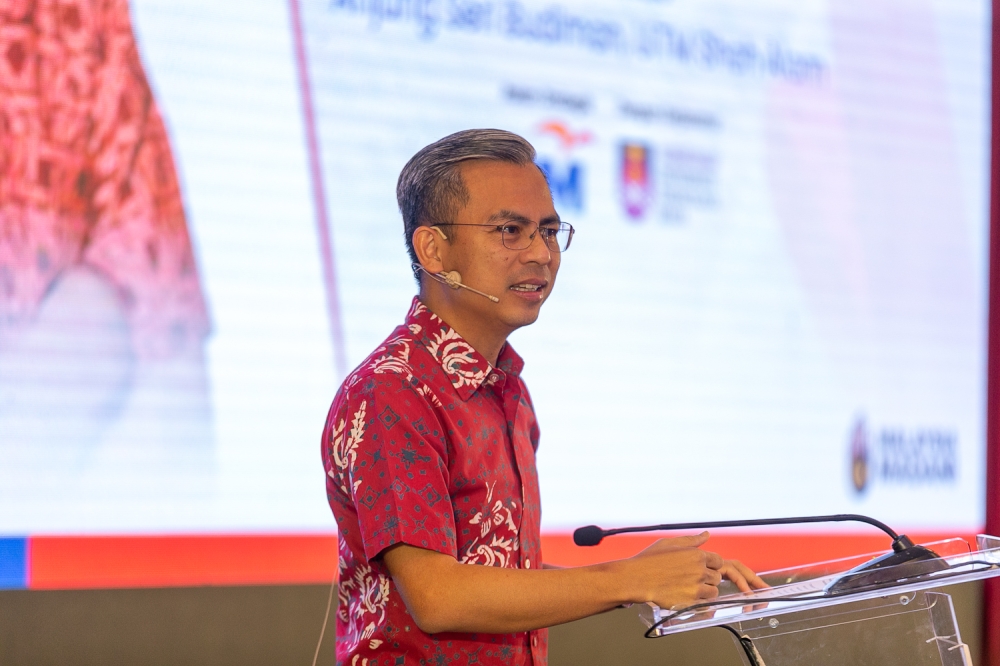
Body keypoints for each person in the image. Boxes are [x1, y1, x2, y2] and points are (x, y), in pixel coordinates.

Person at [320, 129, 765, 666]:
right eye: (511, 230)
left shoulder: (506, 389)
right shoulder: (394, 389)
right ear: (433, 249)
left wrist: (640, 581)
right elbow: (440, 598)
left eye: (549, 231)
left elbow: (497, 584)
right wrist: (625, 577)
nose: (541, 254)